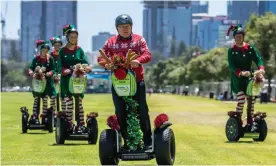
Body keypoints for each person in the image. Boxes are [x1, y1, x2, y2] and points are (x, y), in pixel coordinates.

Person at [97, 14, 152, 149]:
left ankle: (147, 140)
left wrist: (138, 60)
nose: (125, 29)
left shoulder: (139, 40)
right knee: (120, 112)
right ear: (117, 28)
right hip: (119, 84)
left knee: (142, 110)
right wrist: (106, 64)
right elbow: (101, 58)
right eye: (122, 27)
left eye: (127, 26)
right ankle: (127, 141)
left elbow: (147, 54)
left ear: (131, 27)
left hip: (137, 81)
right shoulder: (110, 42)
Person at [227, 24, 265, 129]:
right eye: (237, 36)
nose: (239, 38)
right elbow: (231, 65)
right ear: (234, 38)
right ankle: (238, 120)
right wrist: (240, 72)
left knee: (251, 99)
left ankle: (250, 120)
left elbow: (258, 59)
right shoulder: (231, 50)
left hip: (249, 77)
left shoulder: (249, 48)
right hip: (237, 79)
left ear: (243, 36)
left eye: (240, 36)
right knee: (241, 100)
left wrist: (261, 68)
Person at [57, 24, 92, 132]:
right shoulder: (62, 51)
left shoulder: (80, 50)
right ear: (67, 38)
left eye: (75, 37)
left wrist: (87, 68)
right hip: (67, 80)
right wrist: (64, 71)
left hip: (78, 80)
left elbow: (85, 62)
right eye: (71, 37)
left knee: (79, 103)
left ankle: (80, 124)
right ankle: (69, 124)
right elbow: (58, 66)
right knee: (69, 103)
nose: (74, 39)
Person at [28, 40, 57, 123]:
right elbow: (31, 68)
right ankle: (35, 116)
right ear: (40, 50)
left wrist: (49, 73)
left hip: (47, 81)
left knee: (46, 98)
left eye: (46, 50)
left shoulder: (50, 59)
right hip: (37, 82)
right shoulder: (36, 59)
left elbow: (53, 69)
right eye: (43, 50)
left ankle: (45, 116)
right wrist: (31, 72)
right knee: (36, 99)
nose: (45, 52)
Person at [49, 36, 64, 112]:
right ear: (53, 46)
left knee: (63, 96)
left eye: (59, 45)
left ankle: (63, 114)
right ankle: (52, 113)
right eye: (55, 45)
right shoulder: (50, 55)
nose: (57, 47)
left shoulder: (63, 54)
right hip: (53, 77)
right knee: (53, 96)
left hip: (62, 76)